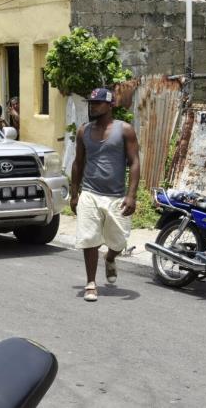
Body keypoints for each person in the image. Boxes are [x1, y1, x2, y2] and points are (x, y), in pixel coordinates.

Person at [70, 88, 140, 302]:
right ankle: (91, 282)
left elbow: (135, 162)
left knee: (119, 241)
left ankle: (110, 257)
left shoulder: (125, 130)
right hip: (90, 193)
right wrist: (75, 193)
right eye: (91, 103)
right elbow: (78, 163)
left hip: (117, 195)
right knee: (89, 238)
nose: (93, 106)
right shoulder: (84, 131)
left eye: (98, 103)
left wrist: (132, 195)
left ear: (110, 106)